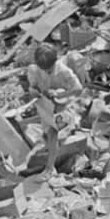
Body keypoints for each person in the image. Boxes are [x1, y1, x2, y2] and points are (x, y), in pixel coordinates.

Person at [26, 42, 85, 173]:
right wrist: (33, 91)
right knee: (45, 134)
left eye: (49, 69)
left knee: (53, 134)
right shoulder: (34, 70)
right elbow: (32, 86)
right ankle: (50, 158)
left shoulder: (63, 71)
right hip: (46, 107)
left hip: (65, 106)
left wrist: (61, 93)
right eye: (44, 69)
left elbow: (78, 89)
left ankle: (50, 167)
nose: (47, 72)